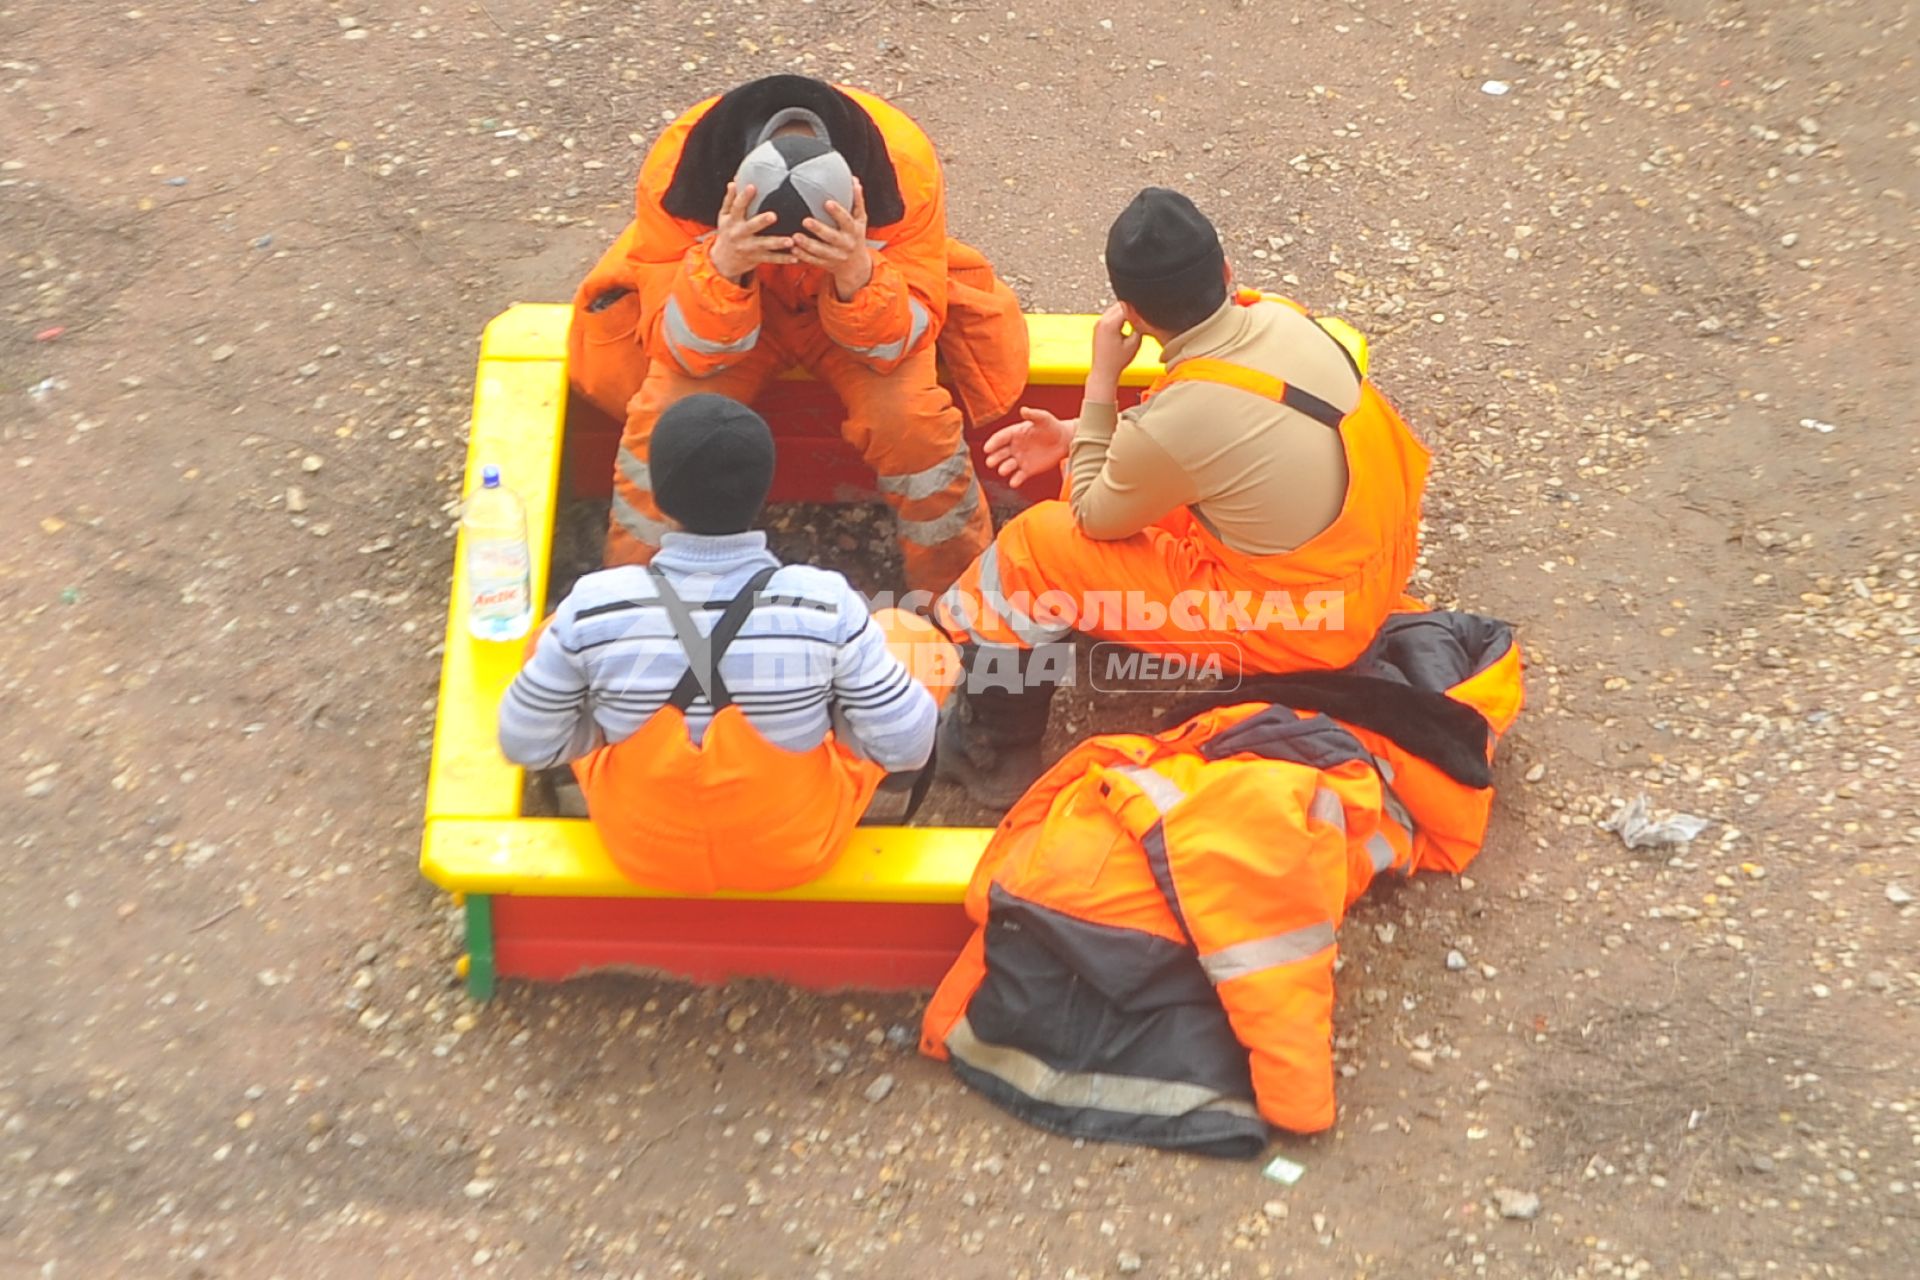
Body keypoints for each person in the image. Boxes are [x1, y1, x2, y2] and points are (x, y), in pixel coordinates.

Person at [933, 188, 1432, 807]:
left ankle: (992, 746)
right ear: (1226, 273)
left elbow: (1093, 514)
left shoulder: (1178, 417)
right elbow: (1202, 437)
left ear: (1132, 315)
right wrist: (1075, 439)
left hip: (1311, 625)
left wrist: (1100, 382)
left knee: (1036, 549)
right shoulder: (1282, 317)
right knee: (1147, 489)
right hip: (1378, 562)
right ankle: (1105, 627)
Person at [568, 74, 1028, 596]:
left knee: (915, 424)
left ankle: (962, 607)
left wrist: (857, 273)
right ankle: (626, 606)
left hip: (851, 301)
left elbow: (905, 335)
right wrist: (723, 267)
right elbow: (683, 349)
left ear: (857, 191)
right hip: (735, 300)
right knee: (668, 427)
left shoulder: (905, 170)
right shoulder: (678, 171)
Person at [497, 395, 959, 895]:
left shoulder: (597, 603)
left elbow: (525, 742)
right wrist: (831, 721)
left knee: (553, 638)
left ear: (658, 491)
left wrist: (608, 727)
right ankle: (869, 790)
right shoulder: (823, 603)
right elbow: (910, 746)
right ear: (762, 489)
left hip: (639, 847)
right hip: (794, 847)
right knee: (908, 637)